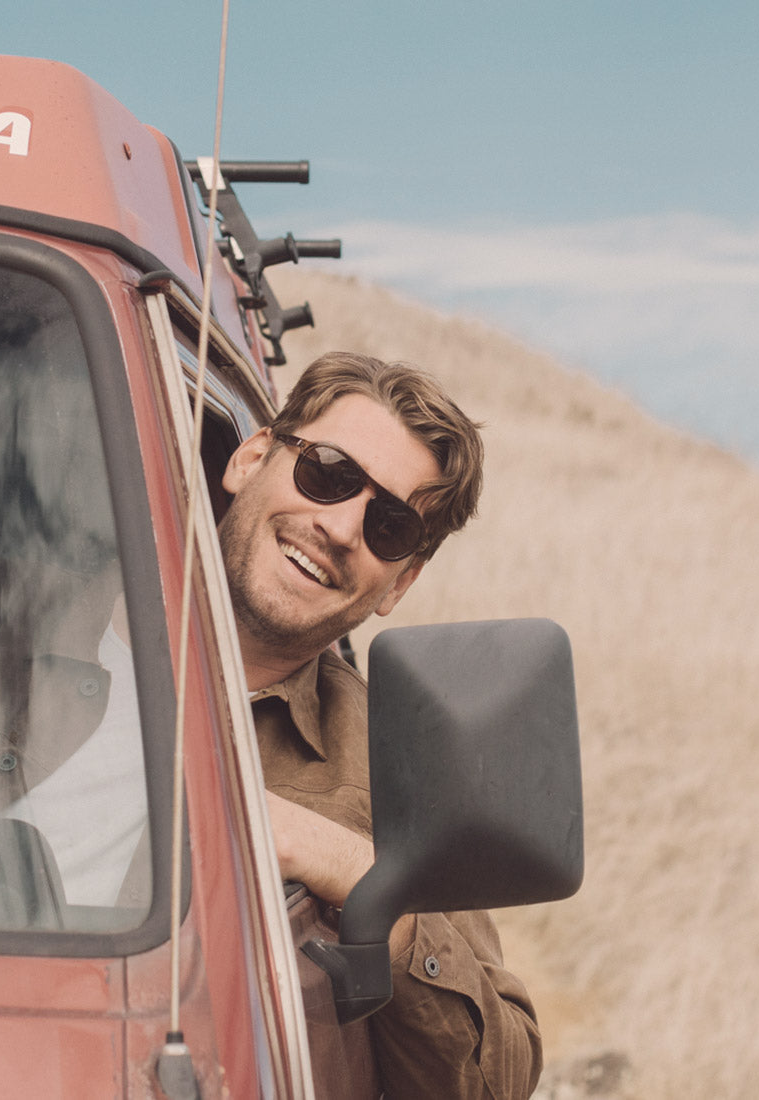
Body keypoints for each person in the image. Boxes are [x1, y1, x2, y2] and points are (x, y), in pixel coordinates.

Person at [216, 351, 542, 1099]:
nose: (337, 526)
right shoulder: (7, 612)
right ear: (252, 456)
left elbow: (501, 1081)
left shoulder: (401, 767)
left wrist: (362, 882)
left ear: (401, 582)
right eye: (327, 472)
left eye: (389, 525)